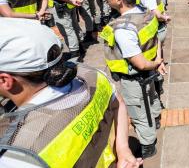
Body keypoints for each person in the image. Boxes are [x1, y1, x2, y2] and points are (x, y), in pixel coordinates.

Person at [0, 18, 142, 168]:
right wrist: (123, 149)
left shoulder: (15, 154)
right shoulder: (92, 76)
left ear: (5, 80)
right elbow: (118, 103)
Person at [97, 0, 166, 158]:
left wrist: (155, 63)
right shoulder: (145, 13)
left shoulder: (123, 29)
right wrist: (158, 61)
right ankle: (156, 120)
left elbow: (140, 63)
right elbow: (156, 38)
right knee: (151, 99)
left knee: (138, 111)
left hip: (135, 78)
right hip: (149, 72)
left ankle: (148, 144)